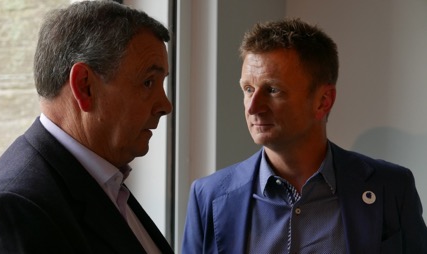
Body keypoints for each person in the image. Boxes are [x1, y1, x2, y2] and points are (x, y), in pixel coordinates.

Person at [182, 18, 427, 254]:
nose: (253, 107)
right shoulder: (209, 196)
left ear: (323, 101)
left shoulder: (391, 188)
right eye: (248, 89)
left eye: (273, 90)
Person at [0, 1, 174, 253]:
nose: (165, 105)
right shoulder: (12, 209)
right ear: (84, 86)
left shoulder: (105, 181)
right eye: (148, 82)